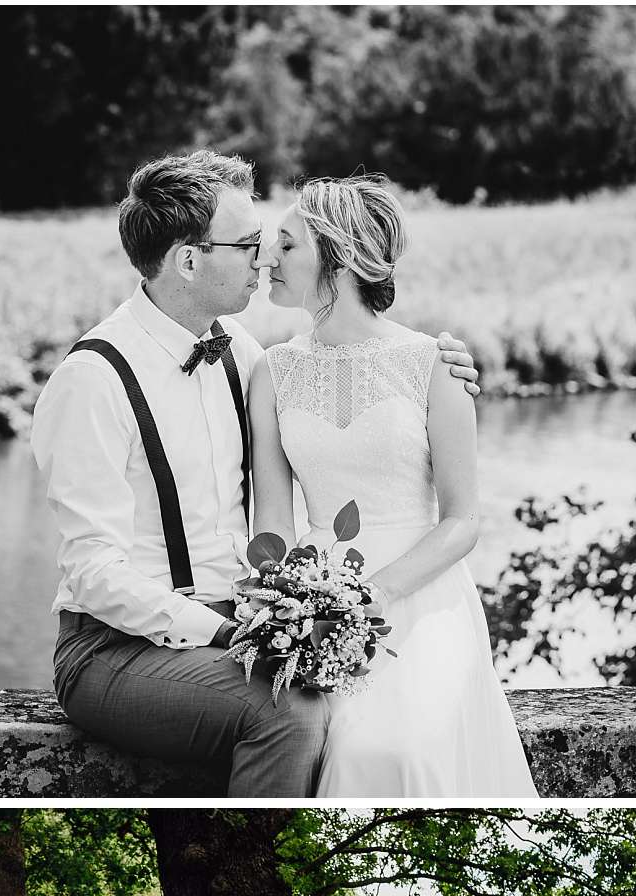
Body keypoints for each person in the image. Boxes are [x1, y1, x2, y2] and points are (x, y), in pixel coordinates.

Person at [31, 149, 479, 797]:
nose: (263, 256)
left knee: (349, 710)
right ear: (189, 260)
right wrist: (229, 631)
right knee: (291, 714)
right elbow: (93, 575)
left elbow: (355, 355)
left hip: (235, 632)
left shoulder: (244, 355)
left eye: (271, 242)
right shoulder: (92, 381)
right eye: (247, 243)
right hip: (113, 650)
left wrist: (445, 368)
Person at [252, 175, 538, 798]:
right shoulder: (271, 373)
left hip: (422, 593)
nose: (266, 258)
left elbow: (463, 520)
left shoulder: (434, 363)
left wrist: (375, 595)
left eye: (287, 245)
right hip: (315, 605)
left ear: (341, 254)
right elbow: (271, 523)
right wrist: (277, 610)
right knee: (317, 739)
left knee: (394, 750)